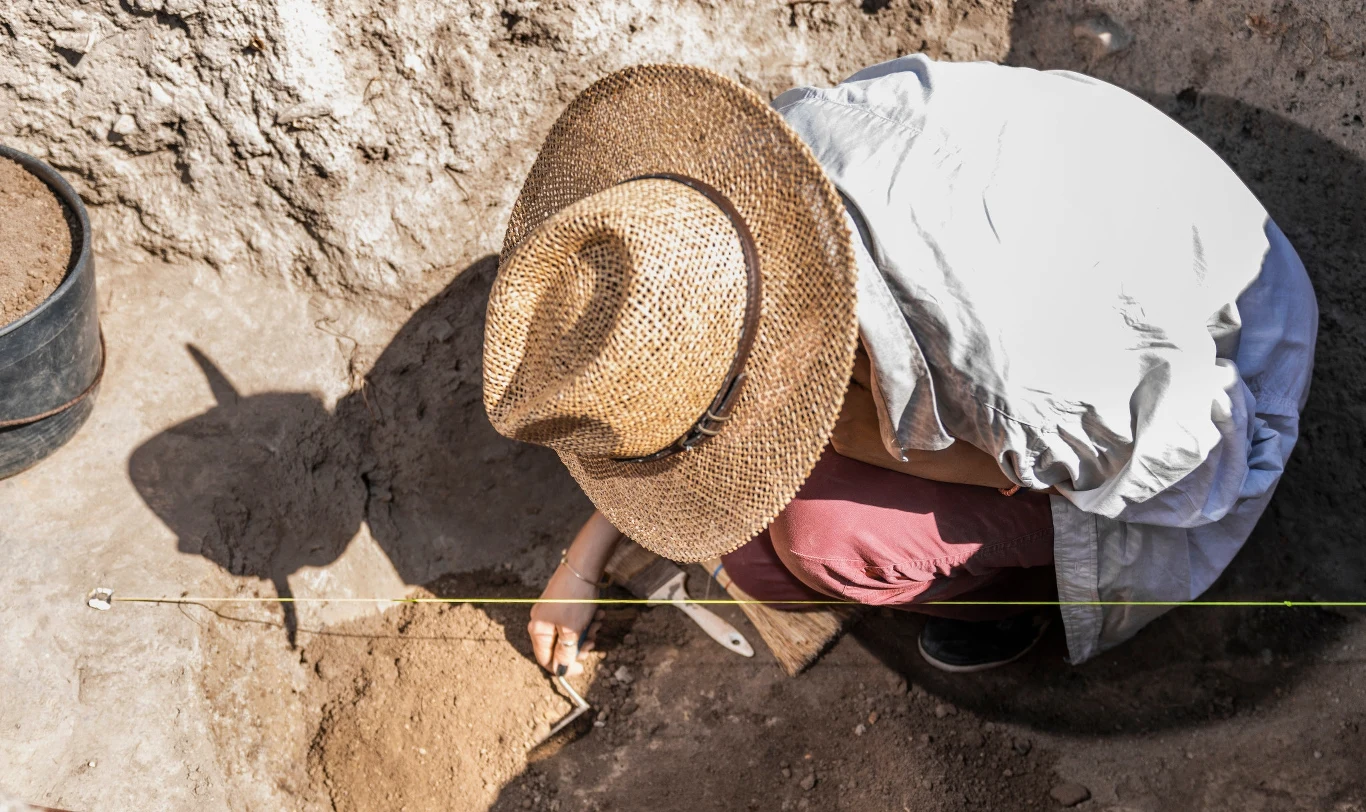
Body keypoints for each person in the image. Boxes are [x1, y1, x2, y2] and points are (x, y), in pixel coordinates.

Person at [482, 57, 1318, 677]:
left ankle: (1020, 601)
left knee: (819, 544)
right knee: (753, 553)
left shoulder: (1014, 374)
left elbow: (1206, 470)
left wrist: (890, 444)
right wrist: (581, 559)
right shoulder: (752, 190)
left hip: (1220, 367)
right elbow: (679, 372)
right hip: (1103, 197)